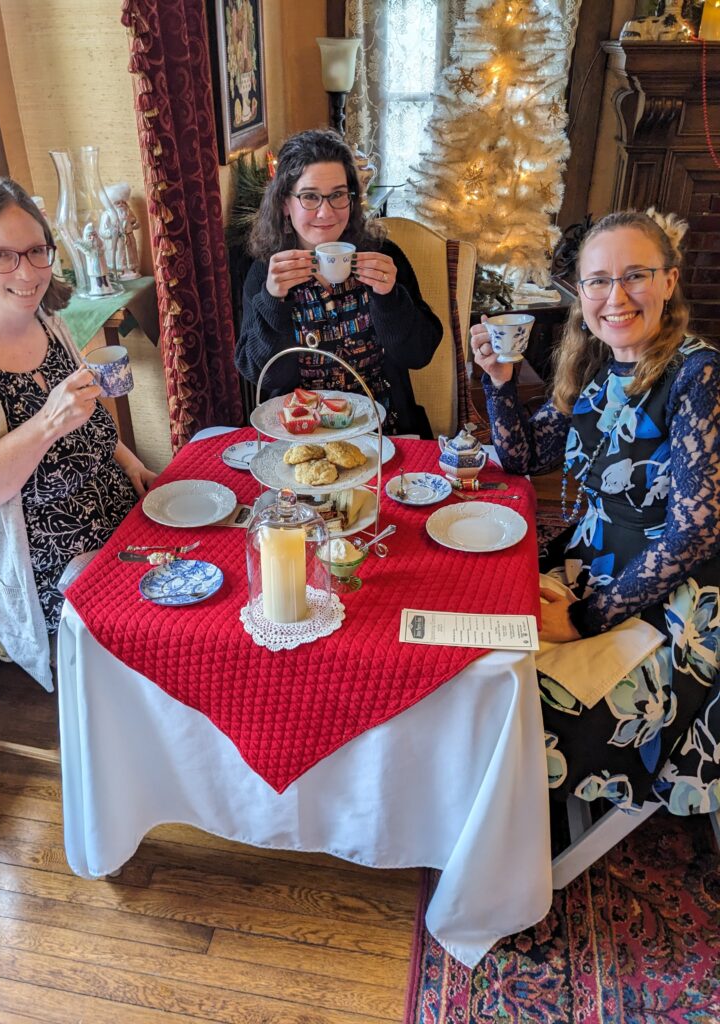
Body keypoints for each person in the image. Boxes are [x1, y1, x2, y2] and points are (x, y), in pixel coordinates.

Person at [471, 209, 720, 816]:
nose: (615, 296)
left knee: (516, 707)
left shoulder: (699, 375)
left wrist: (584, 619)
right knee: (474, 651)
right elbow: (527, 455)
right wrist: (500, 382)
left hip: (671, 604)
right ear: (580, 292)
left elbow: (694, 532)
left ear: (668, 280)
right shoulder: (599, 364)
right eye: (598, 281)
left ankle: (513, 822)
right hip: (592, 563)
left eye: (635, 275)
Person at [0, 178, 156, 689]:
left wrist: (129, 462)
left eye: (36, 251)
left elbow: (87, 421)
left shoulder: (50, 321)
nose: (27, 272)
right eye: (2, 255)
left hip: (117, 519)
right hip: (41, 565)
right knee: (164, 629)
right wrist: (46, 423)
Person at [234, 129, 443, 436]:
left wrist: (389, 298)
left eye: (337, 195)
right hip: (302, 438)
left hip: (386, 432)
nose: (325, 211)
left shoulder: (382, 257)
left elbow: (418, 354)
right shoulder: (267, 273)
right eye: (309, 196)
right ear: (284, 204)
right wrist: (272, 300)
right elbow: (265, 376)